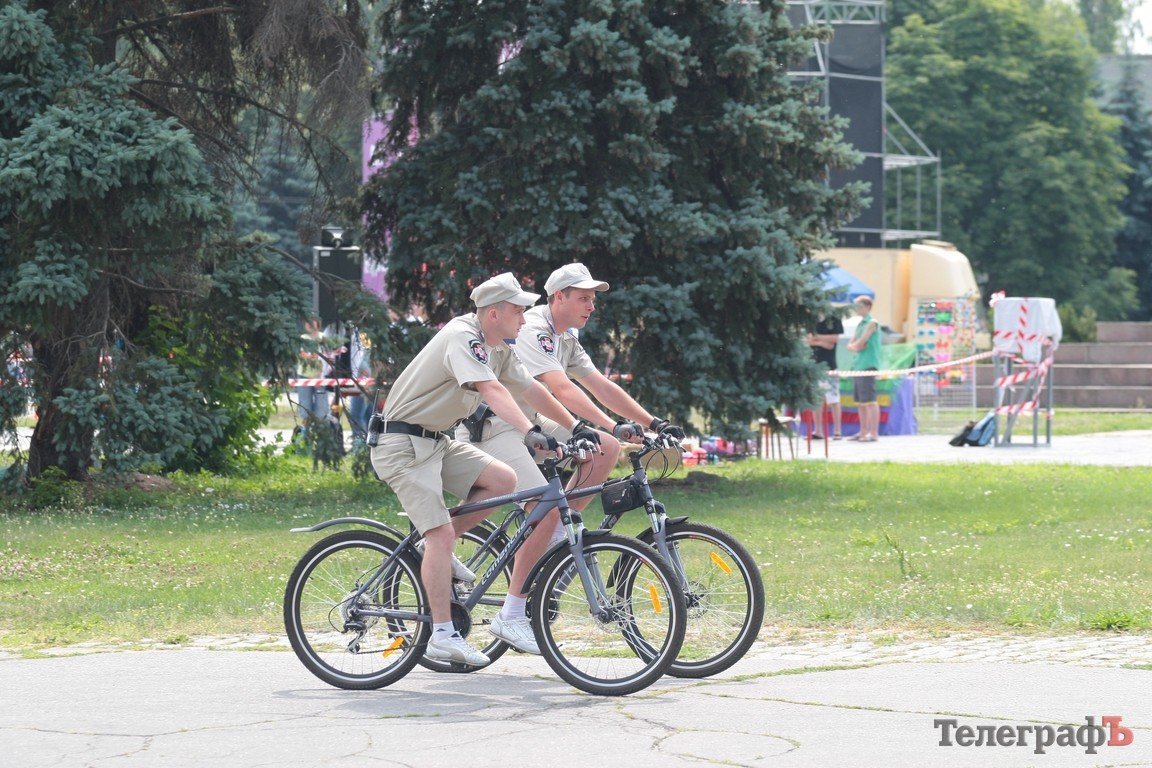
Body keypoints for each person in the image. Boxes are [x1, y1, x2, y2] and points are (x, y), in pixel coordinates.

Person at [369, 272, 590, 666]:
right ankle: (440, 634)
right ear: (493, 313)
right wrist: (529, 431)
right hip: (401, 445)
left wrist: (574, 427)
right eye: (518, 310)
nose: (524, 319)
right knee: (439, 535)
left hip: (435, 442)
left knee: (502, 480)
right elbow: (492, 391)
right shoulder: (463, 337)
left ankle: (431, 549)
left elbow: (530, 390)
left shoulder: (497, 348)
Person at [480, 263, 684, 526]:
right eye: (583, 298)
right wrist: (612, 424)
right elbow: (562, 388)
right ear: (559, 297)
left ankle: (563, 537)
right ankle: (553, 534)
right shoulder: (533, 329)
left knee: (605, 447)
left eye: (593, 300)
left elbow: (601, 386)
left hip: (528, 424)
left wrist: (655, 423)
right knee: (547, 514)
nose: (592, 306)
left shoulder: (565, 338)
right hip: (494, 426)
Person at [846, 295, 882, 442]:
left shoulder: (872, 323)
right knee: (860, 402)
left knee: (870, 400)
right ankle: (863, 431)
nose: (856, 309)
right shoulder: (860, 324)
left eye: (859, 306)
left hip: (868, 364)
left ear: (867, 307)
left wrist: (857, 346)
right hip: (858, 365)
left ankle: (873, 433)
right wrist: (856, 346)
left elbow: (861, 342)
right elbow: (851, 344)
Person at [806, 312, 844, 440]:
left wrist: (816, 338)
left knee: (834, 399)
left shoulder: (833, 319)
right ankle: (818, 430)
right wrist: (821, 342)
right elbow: (807, 340)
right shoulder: (811, 320)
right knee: (816, 399)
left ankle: (838, 431)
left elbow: (833, 341)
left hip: (830, 367)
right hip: (814, 366)